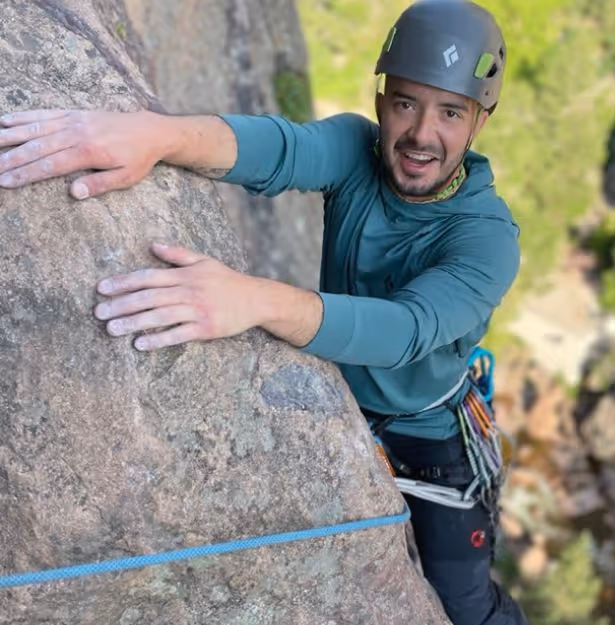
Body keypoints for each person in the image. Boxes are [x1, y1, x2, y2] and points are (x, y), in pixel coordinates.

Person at [0, 1, 527, 622]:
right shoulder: (357, 148)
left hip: (429, 437)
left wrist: (253, 299)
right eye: (406, 103)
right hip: (341, 393)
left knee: (465, 608)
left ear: (480, 121)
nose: (420, 134)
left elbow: (405, 330)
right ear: (382, 99)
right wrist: (157, 135)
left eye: (450, 112)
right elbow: (278, 149)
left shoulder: (487, 238)